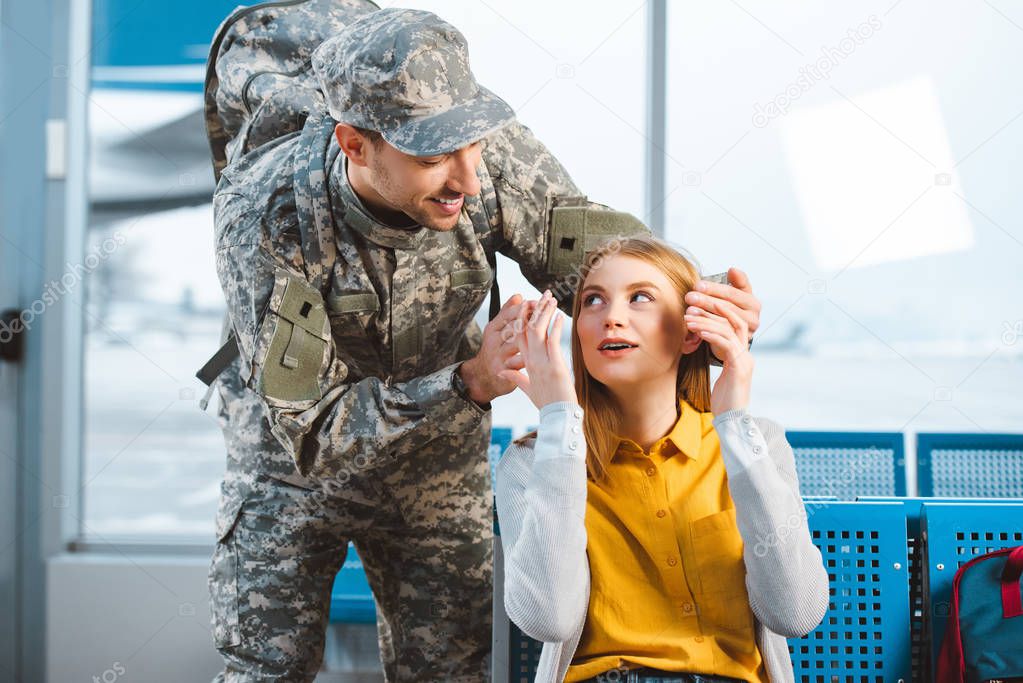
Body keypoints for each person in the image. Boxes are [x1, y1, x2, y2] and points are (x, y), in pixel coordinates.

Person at [207, 8, 765, 683]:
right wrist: (466, 382)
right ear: (355, 144)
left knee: (450, 670)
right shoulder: (265, 215)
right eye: (432, 156)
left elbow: (603, 264)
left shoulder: (487, 153)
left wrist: (699, 309)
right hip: (291, 466)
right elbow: (312, 431)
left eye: (470, 146)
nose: (469, 181)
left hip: (436, 463)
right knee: (266, 669)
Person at [495, 235, 827, 683]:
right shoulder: (532, 461)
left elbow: (795, 612)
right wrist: (558, 418)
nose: (611, 317)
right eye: (593, 300)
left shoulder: (757, 443)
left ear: (691, 333)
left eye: (640, 298)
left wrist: (733, 421)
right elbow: (547, 617)